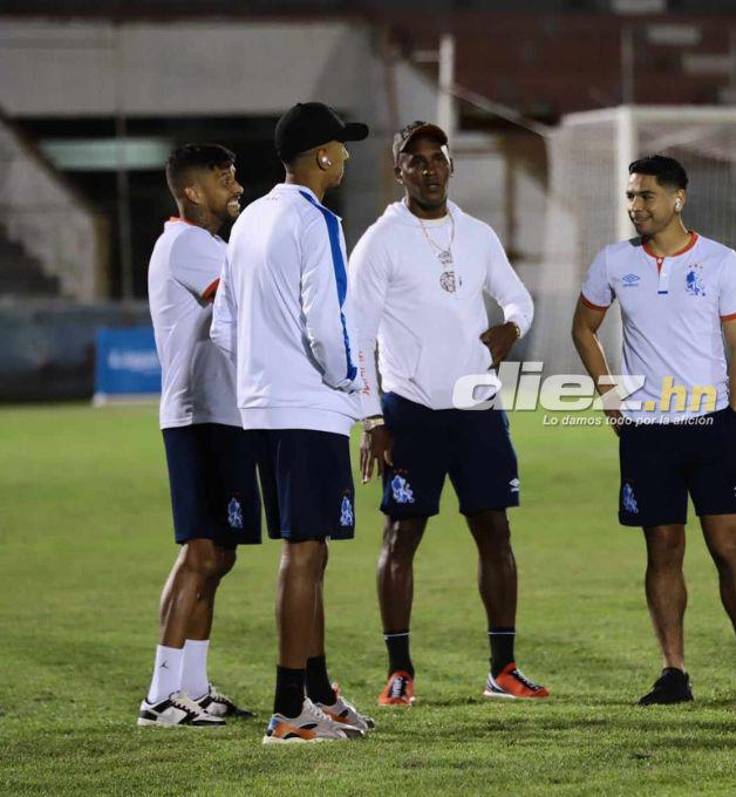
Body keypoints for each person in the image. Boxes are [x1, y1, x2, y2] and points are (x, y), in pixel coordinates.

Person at [352, 121, 547, 706]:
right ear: (400, 171)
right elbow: (356, 336)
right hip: (409, 409)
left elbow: (520, 298)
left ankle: (503, 669)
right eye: (417, 161)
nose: (430, 169)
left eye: (438, 159)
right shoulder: (381, 241)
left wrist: (510, 329)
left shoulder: (478, 235)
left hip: (476, 407)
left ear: (450, 166)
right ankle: (399, 671)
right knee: (402, 534)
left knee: (495, 531)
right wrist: (373, 419)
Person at [571, 154, 736, 705]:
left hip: (711, 427)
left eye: (646, 197)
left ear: (677, 199)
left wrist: (735, 418)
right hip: (648, 432)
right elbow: (583, 328)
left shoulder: (721, 262)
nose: (636, 207)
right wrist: (612, 400)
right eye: (631, 197)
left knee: (728, 547)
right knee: (662, 550)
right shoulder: (614, 262)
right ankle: (674, 672)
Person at [212, 102, 374, 744]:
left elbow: (225, 326)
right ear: (323, 155)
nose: (349, 157)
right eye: (343, 146)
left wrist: (263, 376)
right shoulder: (318, 221)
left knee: (312, 549)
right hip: (308, 408)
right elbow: (328, 323)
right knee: (304, 551)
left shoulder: (250, 218)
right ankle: (288, 708)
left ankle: (317, 690)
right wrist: (349, 385)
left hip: (262, 406)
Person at [139, 143, 255, 727]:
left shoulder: (211, 245)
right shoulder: (185, 243)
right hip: (197, 414)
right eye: (222, 176)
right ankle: (160, 696)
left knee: (220, 555)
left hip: (224, 412)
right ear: (191, 191)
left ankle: (195, 686)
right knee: (201, 552)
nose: (235, 183)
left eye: (233, 173)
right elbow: (243, 310)